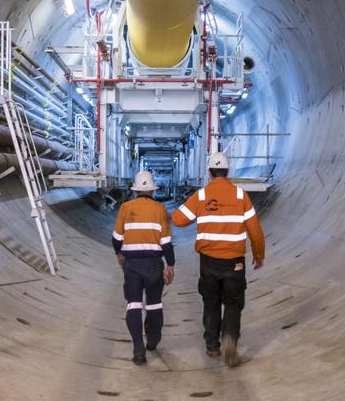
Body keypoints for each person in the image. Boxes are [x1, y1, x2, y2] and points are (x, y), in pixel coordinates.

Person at [172, 152, 265, 367]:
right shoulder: (241, 196)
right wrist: (259, 255)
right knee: (233, 303)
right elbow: (255, 230)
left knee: (211, 302)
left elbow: (177, 219)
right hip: (235, 261)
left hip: (209, 262)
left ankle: (212, 346)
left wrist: (199, 213)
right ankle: (230, 338)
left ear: (209, 173)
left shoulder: (202, 196)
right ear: (228, 171)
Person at [112, 171, 175, 365]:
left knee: (134, 304)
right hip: (154, 265)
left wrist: (119, 254)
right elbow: (166, 242)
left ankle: (138, 349)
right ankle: (153, 340)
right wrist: (170, 264)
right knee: (154, 303)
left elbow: (116, 238)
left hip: (132, 265)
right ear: (152, 191)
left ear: (136, 190)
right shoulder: (160, 210)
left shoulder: (125, 208)